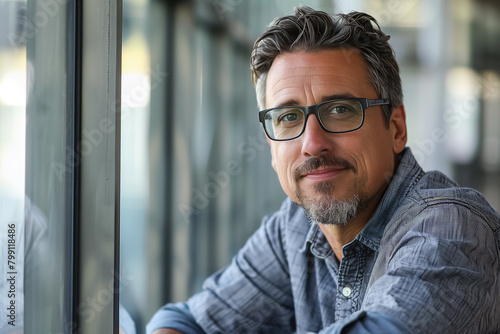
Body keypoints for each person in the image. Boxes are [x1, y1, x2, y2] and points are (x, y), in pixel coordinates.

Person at [147, 6, 500, 334]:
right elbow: (186, 321)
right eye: (288, 117)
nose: (313, 143)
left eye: (341, 110)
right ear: (272, 148)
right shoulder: (293, 229)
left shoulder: (452, 228)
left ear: (395, 128)